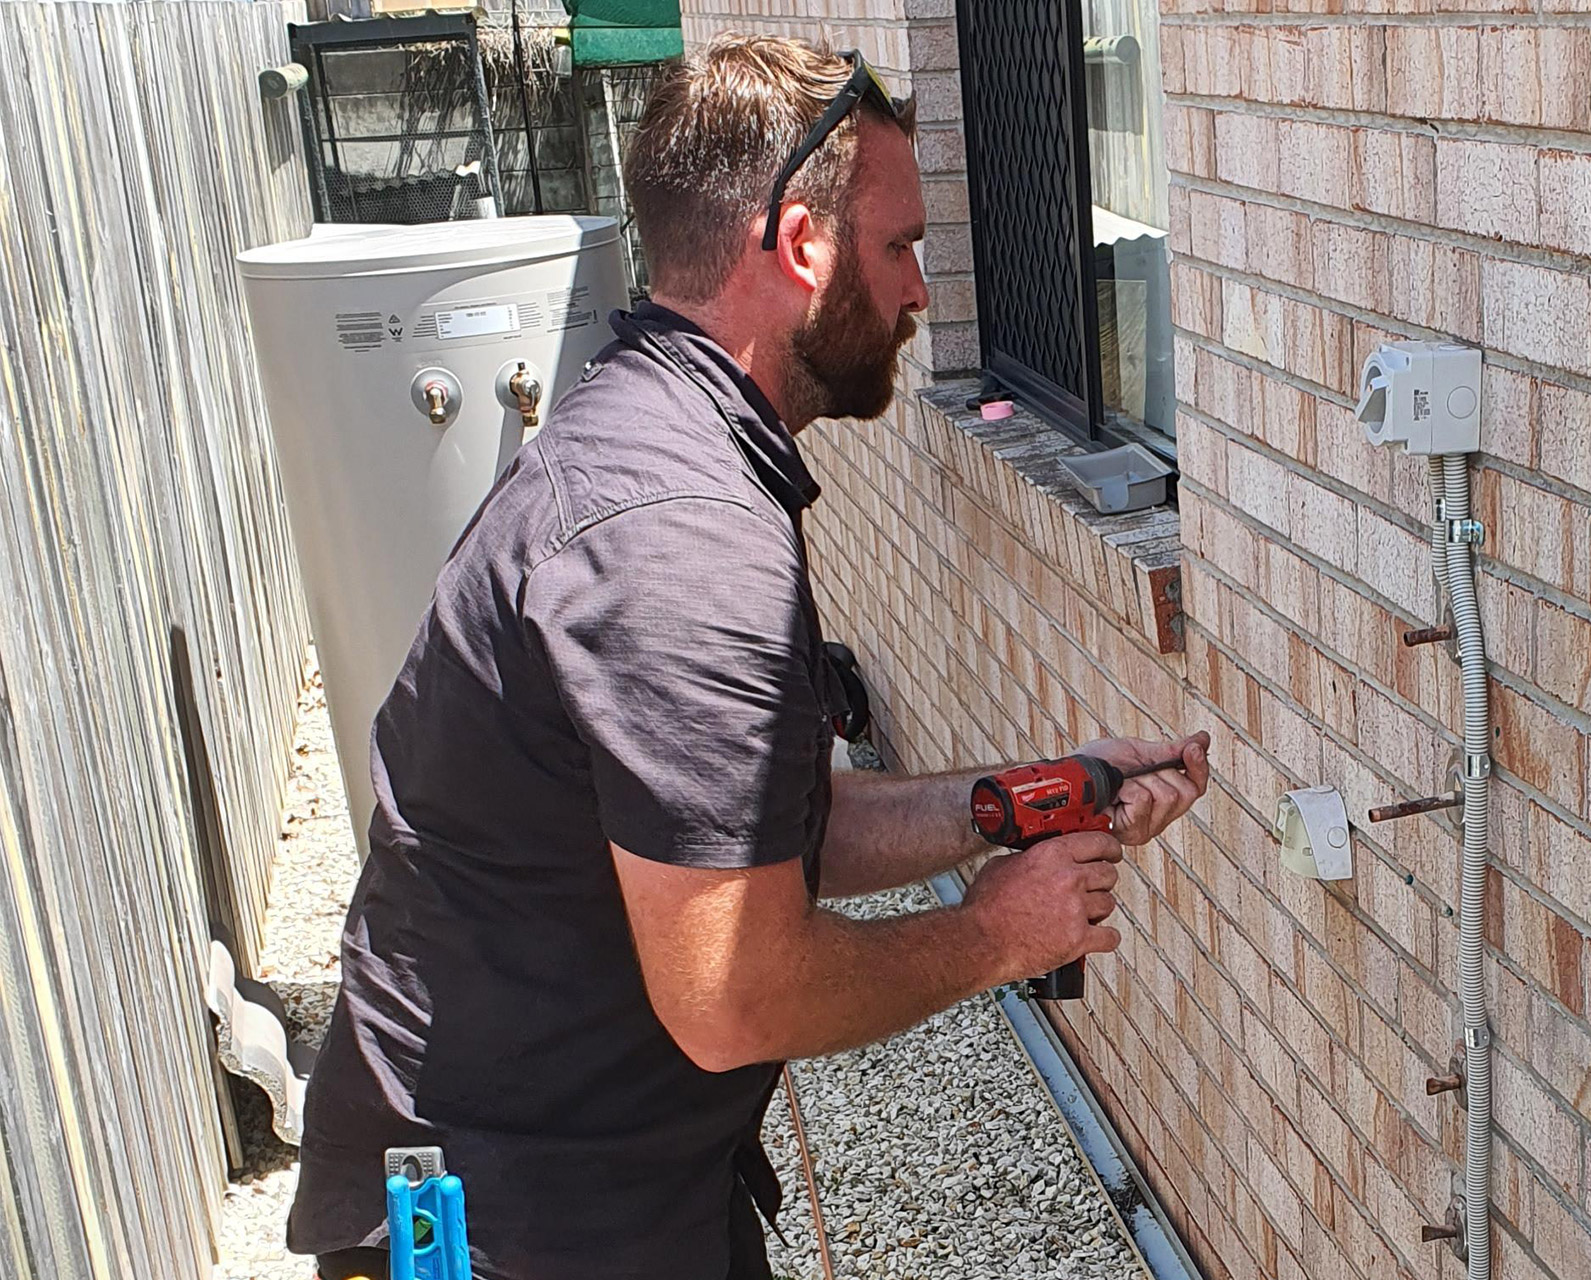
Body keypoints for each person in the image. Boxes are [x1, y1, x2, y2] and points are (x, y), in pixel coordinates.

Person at [288, 34, 1213, 1280]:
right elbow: (733, 990)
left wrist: (1017, 800)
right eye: (900, 246)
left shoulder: (665, 445)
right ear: (799, 246)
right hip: (505, 1227)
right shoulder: (678, 541)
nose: (922, 293)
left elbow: (771, 830)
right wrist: (997, 935)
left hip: (602, 1192)